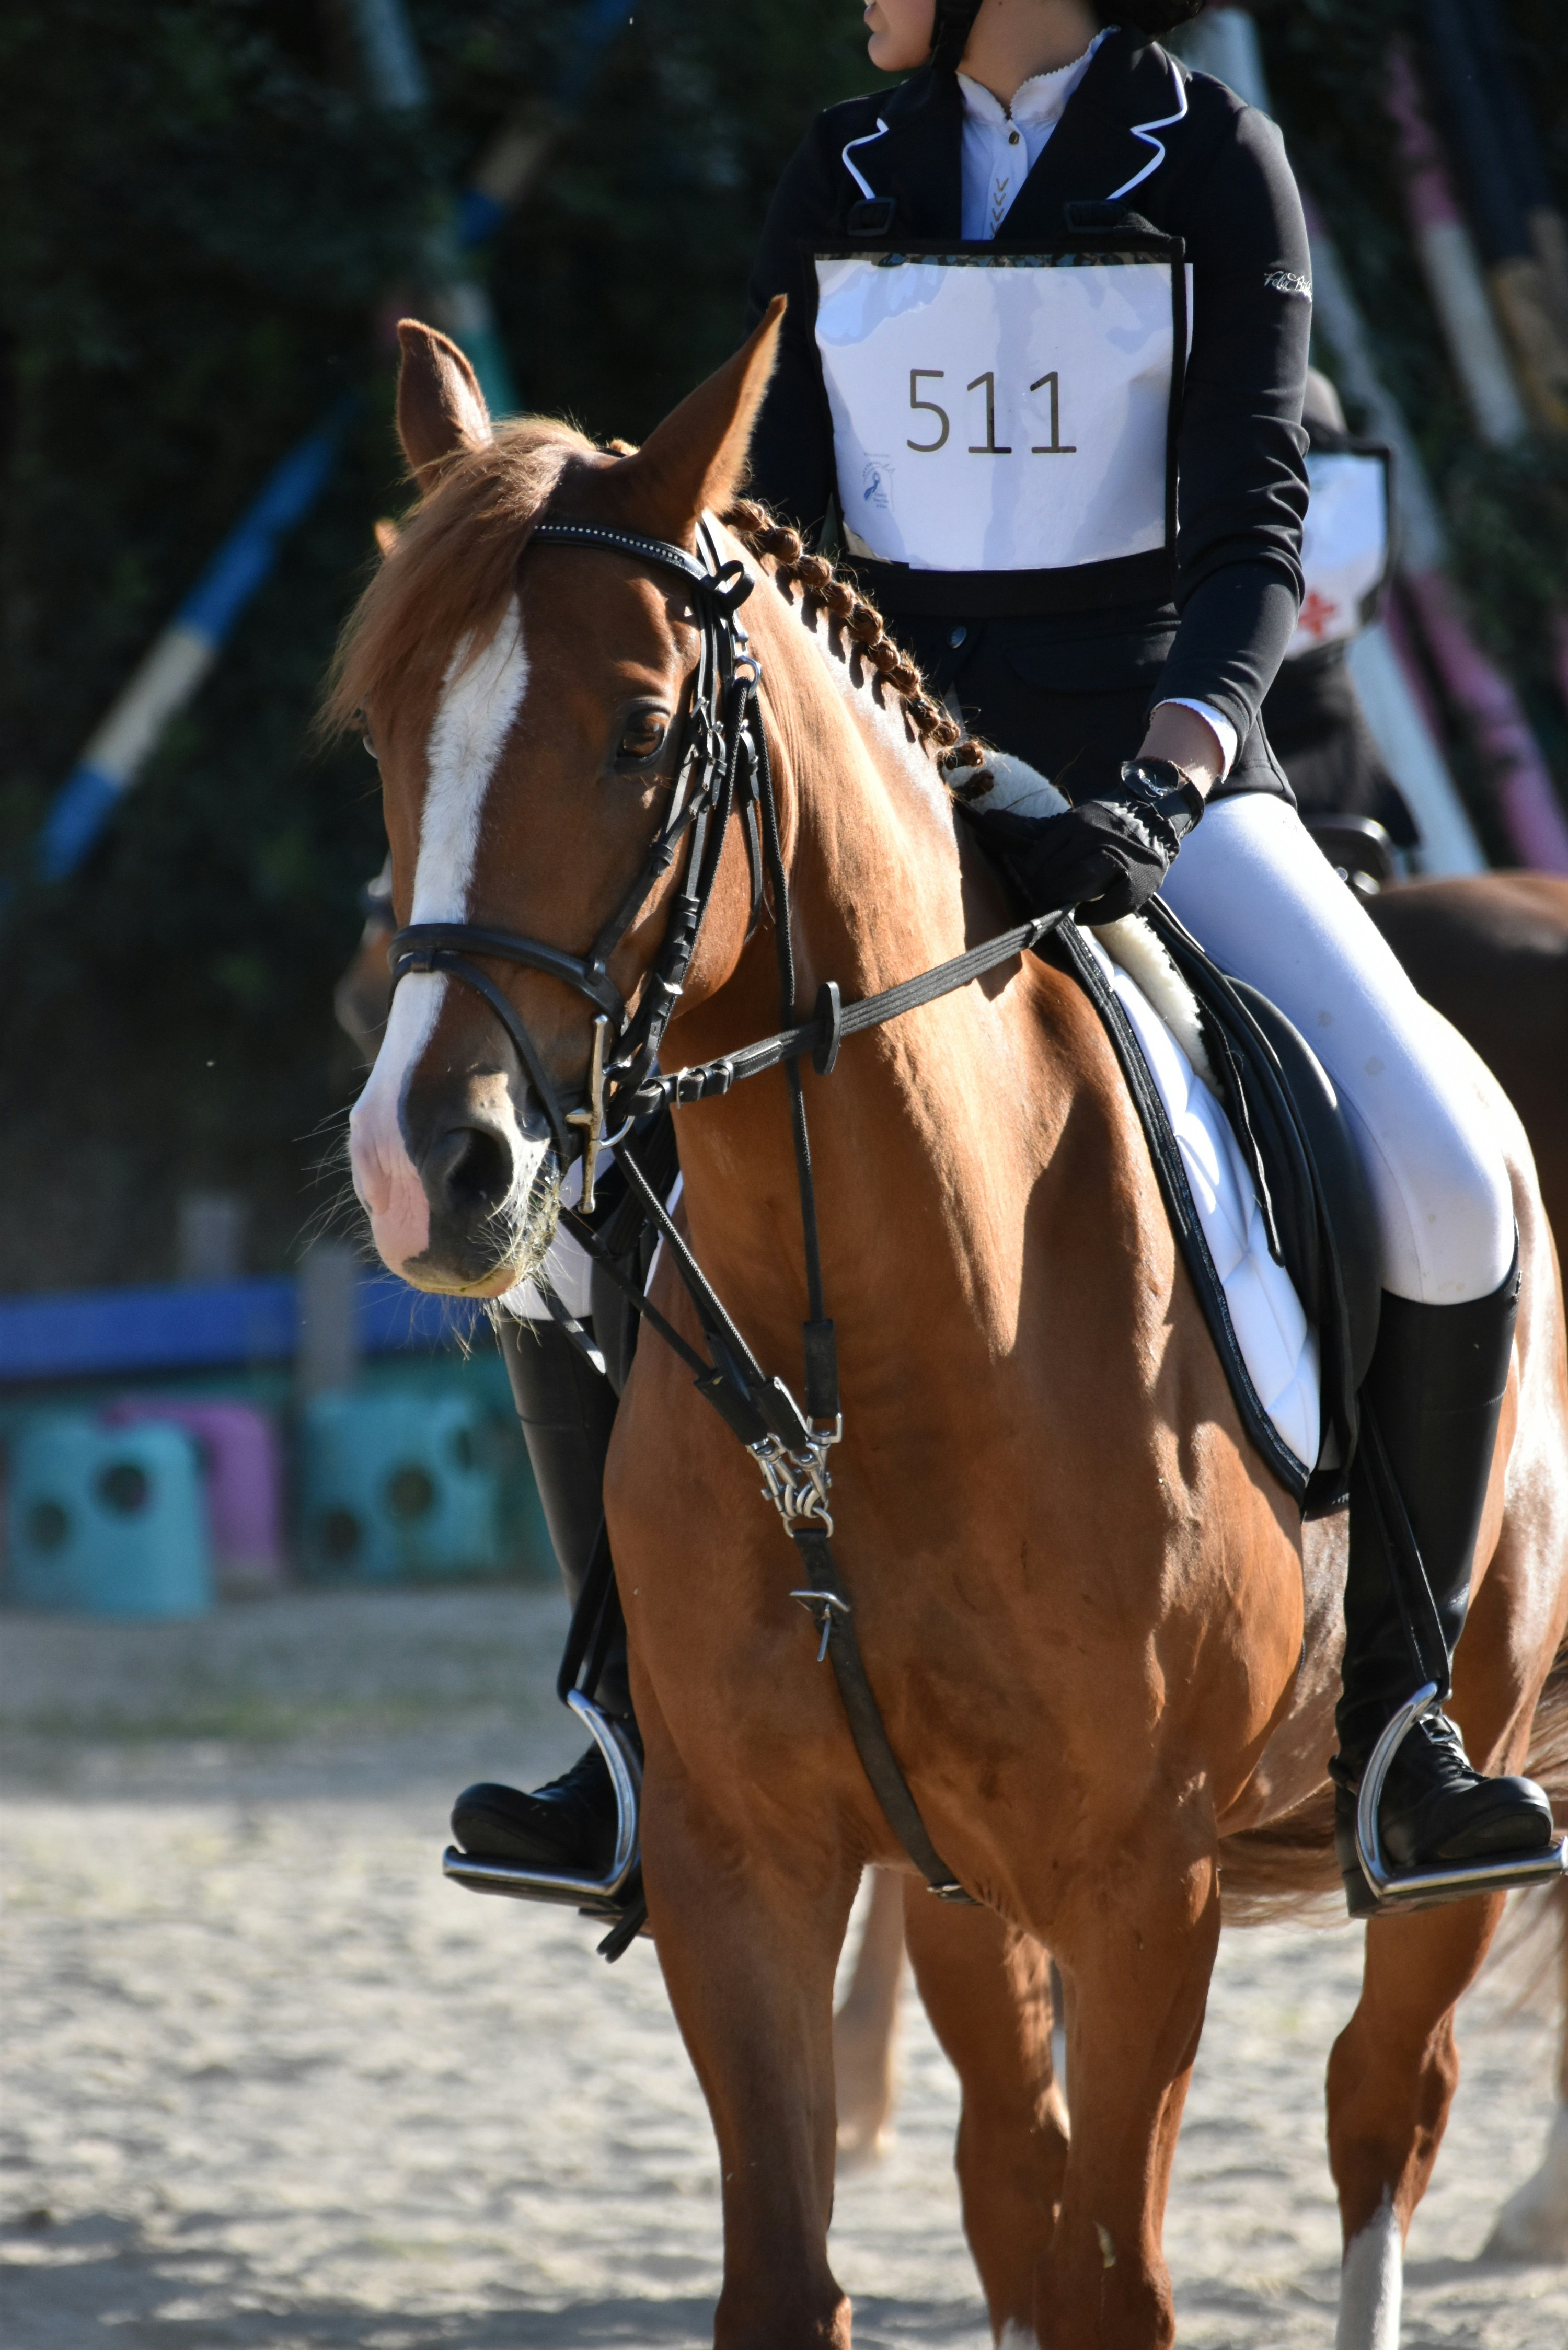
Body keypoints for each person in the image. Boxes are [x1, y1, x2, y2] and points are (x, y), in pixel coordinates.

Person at [453, 0, 1554, 1909]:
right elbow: (779, 532)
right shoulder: (846, 169)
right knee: (564, 1221)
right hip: (884, 793)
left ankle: (1401, 1731)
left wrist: (1168, 769)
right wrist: (849, 776)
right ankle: (623, 1733)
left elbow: (1256, 528)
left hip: (1158, 775)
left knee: (1454, 1174)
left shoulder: (1211, 162)